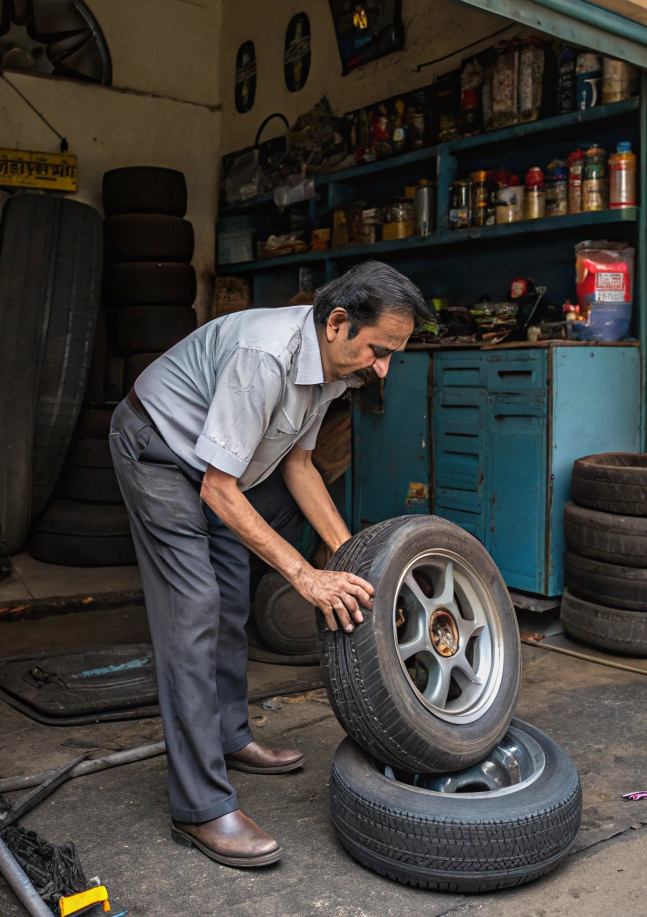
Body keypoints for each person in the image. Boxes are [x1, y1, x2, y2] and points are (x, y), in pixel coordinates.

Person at [109, 260, 432, 868]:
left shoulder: (335, 369)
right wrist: (305, 576)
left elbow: (299, 465)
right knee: (194, 609)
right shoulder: (265, 356)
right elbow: (219, 489)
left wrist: (354, 558)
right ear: (338, 323)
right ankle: (201, 808)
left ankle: (230, 737)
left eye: (394, 353)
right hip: (157, 447)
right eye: (380, 349)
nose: (385, 366)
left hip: (215, 470)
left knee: (232, 595)